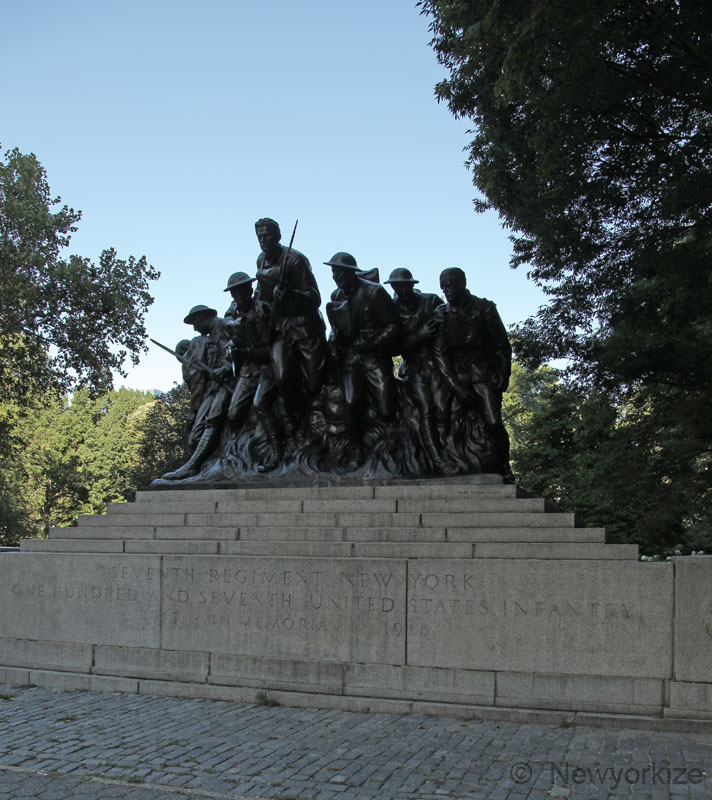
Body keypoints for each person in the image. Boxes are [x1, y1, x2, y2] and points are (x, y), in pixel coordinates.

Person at [434, 267, 512, 477]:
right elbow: (439, 355)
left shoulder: (484, 308)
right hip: (454, 377)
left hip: (482, 373)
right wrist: (455, 386)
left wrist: (503, 374)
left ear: (462, 284)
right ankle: (451, 464)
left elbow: (502, 345)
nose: (446, 290)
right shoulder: (441, 314)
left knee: (494, 422)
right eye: (443, 287)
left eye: (450, 285)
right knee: (441, 418)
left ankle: (503, 466)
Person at [325, 252, 400, 466]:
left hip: (373, 357)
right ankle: (356, 450)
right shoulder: (337, 297)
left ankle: (389, 447)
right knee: (350, 403)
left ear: (351, 272)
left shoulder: (374, 292)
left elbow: (393, 325)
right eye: (333, 272)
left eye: (339, 272)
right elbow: (335, 327)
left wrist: (373, 342)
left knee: (386, 408)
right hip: (350, 359)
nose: (336, 276)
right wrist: (334, 341)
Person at [384, 267, 451, 474]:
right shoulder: (391, 310)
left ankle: (450, 452)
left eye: (405, 286)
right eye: (397, 287)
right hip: (413, 368)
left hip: (439, 365)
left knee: (443, 408)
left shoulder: (431, 301)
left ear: (412, 285)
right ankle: (437, 459)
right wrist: (418, 336)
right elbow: (391, 349)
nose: (402, 290)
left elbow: (449, 324)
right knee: (426, 409)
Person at [253, 218, 326, 409]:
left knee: (313, 384)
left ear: (278, 236)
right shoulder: (261, 260)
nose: (262, 240)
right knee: (283, 378)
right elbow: (260, 290)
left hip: (305, 329)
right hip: (281, 329)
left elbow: (314, 298)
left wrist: (291, 295)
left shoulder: (295, 260)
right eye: (259, 236)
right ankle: (297, 422)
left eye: (266, 235)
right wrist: (260, 303)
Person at [163, 305, 233, 480]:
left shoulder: (227, 325)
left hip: (236, 379)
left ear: (202, 318)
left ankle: (192, 466)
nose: (194, 329)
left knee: (214, 416)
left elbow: (241, 348)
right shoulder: (207, 339)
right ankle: (197, 464)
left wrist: (224, 369)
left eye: (195, 323)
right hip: (217, 384)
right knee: (195, 433)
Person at [222, 272, 282, 472]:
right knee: (233, 413)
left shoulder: (262, 310)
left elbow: (270, 349)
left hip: (267, 367)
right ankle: (241, 454)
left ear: (250, 290)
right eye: (235, 292)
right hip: (248, 370)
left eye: (242, 290)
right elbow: (232, 337)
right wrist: (231, 348)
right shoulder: (232, 313)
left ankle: (276, 453)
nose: (239, 295)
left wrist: (246, 352)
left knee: (260, 404)